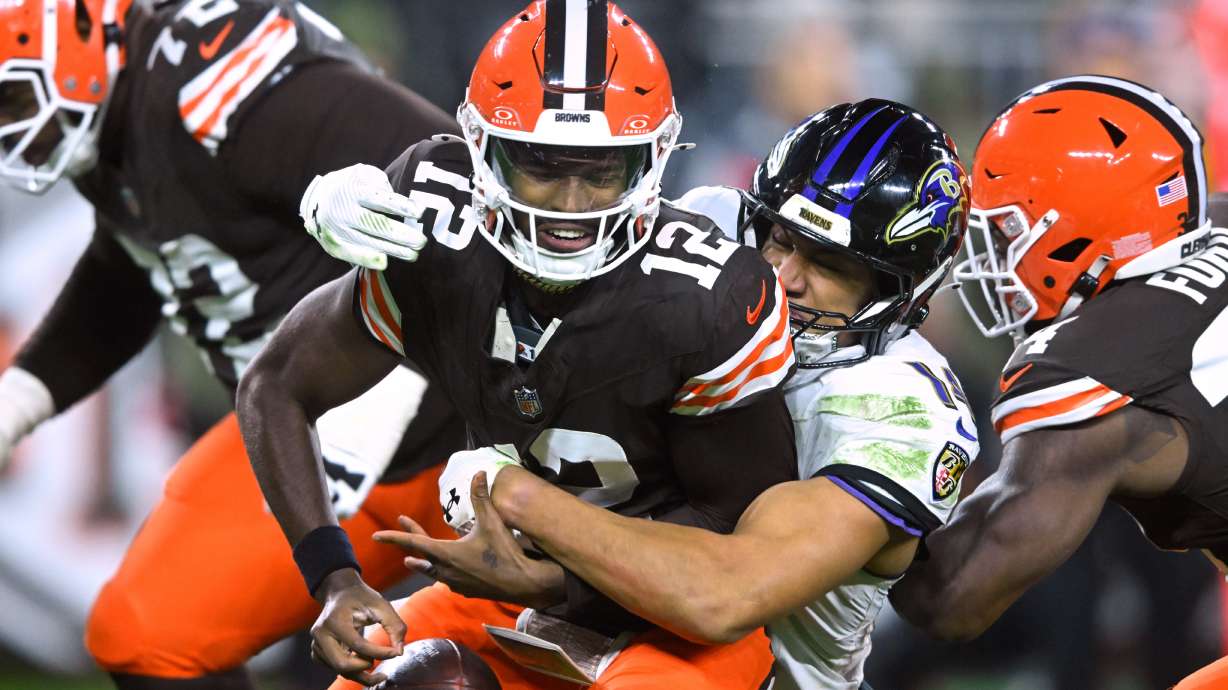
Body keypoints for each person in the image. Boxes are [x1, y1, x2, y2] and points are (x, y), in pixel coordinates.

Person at [237, 1, 799, 688]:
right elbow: (277, 386)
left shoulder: (706, 297)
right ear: (480, 148)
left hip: (678, 619)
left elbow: (738, 554)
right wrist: (333, 577)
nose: (569, 205)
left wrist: (551, 581)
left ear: (652, 159)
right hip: (509, 594)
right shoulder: (437, 227)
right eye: (541, 166)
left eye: (601, 172)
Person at [362, 99, 979, 690]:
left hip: (743, 666)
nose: (784, 276)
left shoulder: (902, 414)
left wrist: (524, 510)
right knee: (390, 663)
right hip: (575, 627)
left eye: (832, 265)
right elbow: (538, 242)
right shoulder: (714, 237)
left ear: (904, 292)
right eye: (780, 238)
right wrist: (380, 208)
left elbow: (725, 593)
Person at [0, 1, 466, 688]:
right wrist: (17, 402)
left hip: (439, 421)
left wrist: (398, 361)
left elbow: (455, 174)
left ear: (78, 36)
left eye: (10, 98)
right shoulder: (117, 116)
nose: (9, 127)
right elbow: (130, 268)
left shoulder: (215, 85)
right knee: (144, 634)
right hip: (304, 426)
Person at [885, 75, 1228, 687]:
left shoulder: (1095, 363)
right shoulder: (1215, 220)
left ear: (1083, 230)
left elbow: (951, 597)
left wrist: (854, 495)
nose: (991, 257)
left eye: (1006, 232)